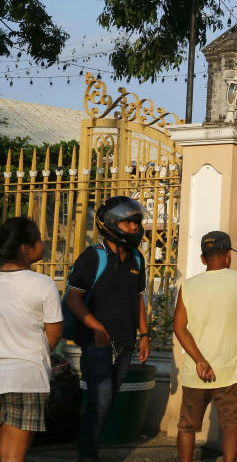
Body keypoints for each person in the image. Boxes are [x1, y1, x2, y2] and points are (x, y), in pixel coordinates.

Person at [64, 196, 151, 462]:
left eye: (137, 223)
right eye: (128, 223)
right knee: (99, 403)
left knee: (107, 403)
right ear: (112, 224)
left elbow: (138, 299)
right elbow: (72, 298)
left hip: (125, 343)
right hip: (97, 344)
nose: (135, 228)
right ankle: (86, 456)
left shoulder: (137, 259)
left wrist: (144, 335)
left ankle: (88, 449)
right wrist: (97, 329)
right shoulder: (93, 257)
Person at [173, 231, 237, 462]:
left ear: (203, 258)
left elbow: (179, 328)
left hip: (195, 372)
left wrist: (200, 360)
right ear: (227, 255)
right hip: (229, 371)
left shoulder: (188, 286)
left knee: (187, 426)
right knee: (231, 425)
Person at [0, 218, 62, 462]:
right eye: (37, 238)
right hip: (26, 377)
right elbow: (54, 334)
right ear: (25, 248)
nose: (42, 241)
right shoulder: (44, 284)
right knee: (14, 453)